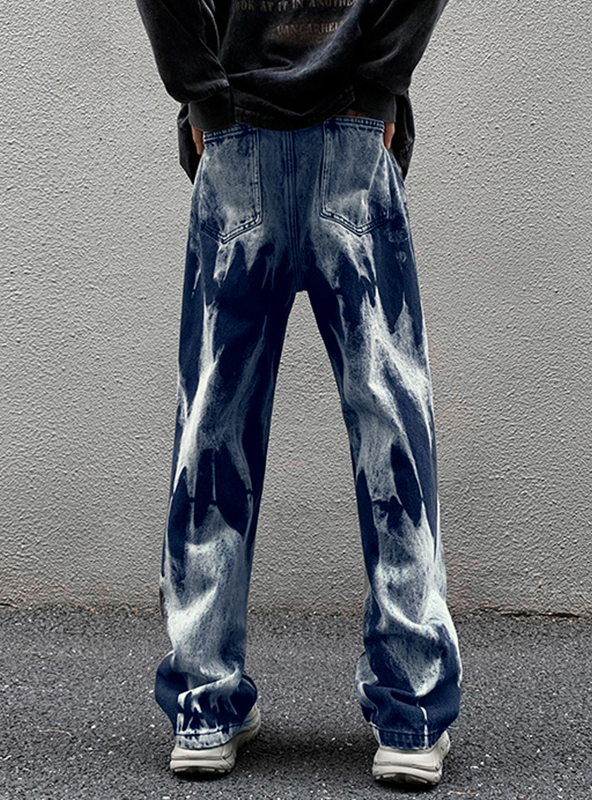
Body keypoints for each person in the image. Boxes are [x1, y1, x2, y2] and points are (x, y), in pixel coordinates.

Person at [135, 0, 462, 786]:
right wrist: (378, 84)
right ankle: (412, 715)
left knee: (213, 425)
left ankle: (205, 705)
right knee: (390, 423)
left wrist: (203, 96)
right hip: (352, 131)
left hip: (238, 132)